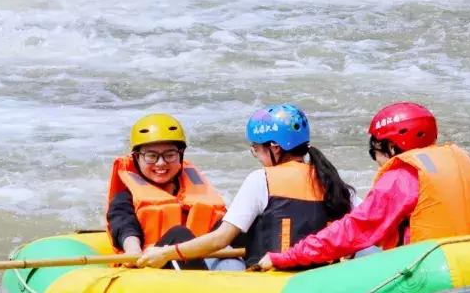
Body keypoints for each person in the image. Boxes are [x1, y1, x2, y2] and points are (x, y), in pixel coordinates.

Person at [253, 102, 470, 271]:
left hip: (424, 271)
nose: (376, 162)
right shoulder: (462, 163)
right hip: (467, 265)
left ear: (392, 148)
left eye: (374, 152)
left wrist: (287, 256)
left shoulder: (402, 175)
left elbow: (354, 229)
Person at [136, 104, 354, 269]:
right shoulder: (331, 181)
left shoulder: (262, 179)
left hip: (270, 283)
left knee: (179, 234)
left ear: (275, 148)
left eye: (256, 149)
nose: (257, 156)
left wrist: (166, 253)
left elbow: (220, 239)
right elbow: (362, 224)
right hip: (319, 278)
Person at [106, 113, 227, 267]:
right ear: (136, 158)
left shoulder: (198, 191)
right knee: (179, 234)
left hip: (198, 260)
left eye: (170, 155)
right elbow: (124, 225)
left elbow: (224, 229)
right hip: (151, 265)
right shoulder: (124, 198)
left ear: (180, 156)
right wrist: (133, 250)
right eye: (151, 156)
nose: (161, 163)